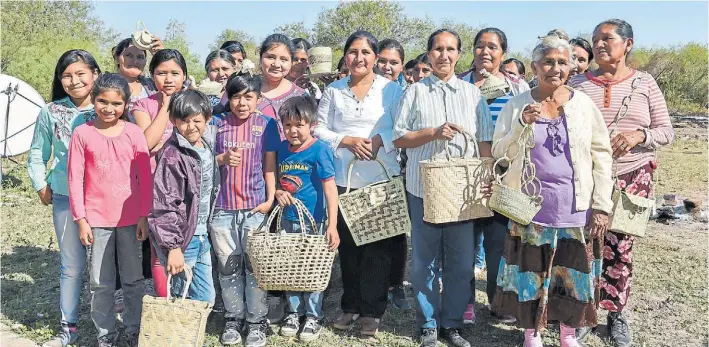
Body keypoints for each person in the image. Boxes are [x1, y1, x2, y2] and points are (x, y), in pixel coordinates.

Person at [491, 35, 613, 347]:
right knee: (532, 270)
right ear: (534, 66)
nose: (555, 68)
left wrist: (601, 204)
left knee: (570, 273)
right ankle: (532, 332)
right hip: (530, 207)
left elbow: (601, 154)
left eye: (562, 62)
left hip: (575, 206)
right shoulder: (518, 103)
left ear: (572, 66)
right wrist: (521, 123)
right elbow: (499, 152)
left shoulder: (583, 104)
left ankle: (568, 332)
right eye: (547, 61)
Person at [568, 19, 674, 347]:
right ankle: (583, 315)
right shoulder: (576, 84)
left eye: (608, 39)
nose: (600, 44)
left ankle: (617, 314)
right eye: (595, 39)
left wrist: (638, 135)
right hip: (585, 179)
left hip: (633, 176)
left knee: (621, 248)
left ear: (628, 44)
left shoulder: (645, 83)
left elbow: (666, 131)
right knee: (584, 248)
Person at [393, 29, 493, 347]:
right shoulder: (415, 92)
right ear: (429, 53)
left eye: (450, 49)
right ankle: (428, 324)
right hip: (423, 188)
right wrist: (433, 133)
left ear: (458, 54)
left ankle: (452, 323)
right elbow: (399, 137)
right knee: (424, 261)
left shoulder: (472, 94)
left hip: (463, 192)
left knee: (462, 261)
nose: (444, 55)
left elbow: (484, 141)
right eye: (438, 49)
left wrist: (487, 176)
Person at [315, 30, 406, 337]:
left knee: (378, 249)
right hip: (343, 180)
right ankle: (350, 306)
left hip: (381, 180)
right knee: (350, 249)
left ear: (375, 57)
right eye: (353, 52)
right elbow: (319, 129)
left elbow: (403, 128)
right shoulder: (334, 91)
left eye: (366, 52)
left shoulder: (391, 90)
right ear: (345, 56)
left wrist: (381, 140)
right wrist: (347, 140)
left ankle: (372, 311)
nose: (359, 58)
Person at [68, 73, 152, 347]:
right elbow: (75, 178)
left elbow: (144, 176)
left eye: (116, 104)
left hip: (130, 220)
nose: (108, 108)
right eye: (102, 101)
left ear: (126, 105)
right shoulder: (83, 134)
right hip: (97, 221)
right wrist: (81, 219)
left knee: (132, 280)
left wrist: (144, 215)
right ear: (94, 100)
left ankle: (133, 330)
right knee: (101, 283)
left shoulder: (133, 133)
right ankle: (106, 335)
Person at [458, 27, 530, 325]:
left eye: (492, 47)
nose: (485, 52)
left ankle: (498, 301)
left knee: (498, 244)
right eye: (479, 46)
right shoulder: (459, 83)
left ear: (503, 52)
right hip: (462, 176)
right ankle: (463, 302)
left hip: (503, 177)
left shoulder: (518, 88)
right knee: (462, 243)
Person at [28, 49, 100, 347]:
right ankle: (67, 328)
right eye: (67, 75)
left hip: (104, 199)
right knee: (71, 265)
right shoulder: (51, 111)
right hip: (65, 198)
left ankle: (106, 327)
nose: (74, 81)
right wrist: (40, 184)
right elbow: (36, 153)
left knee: (104, 268)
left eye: (81, 73)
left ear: (95, 73)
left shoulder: (109, 106)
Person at [209, 72, 279, 347]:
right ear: (228, 97)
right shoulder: (216, 124)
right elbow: (204, 160)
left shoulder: (267, 125)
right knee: (228, 268)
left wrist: (269, 198)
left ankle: (256, 321)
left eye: (248, 97)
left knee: (255, 268)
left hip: (255, 208)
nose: (242, 103)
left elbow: (269, 165)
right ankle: (233, 318)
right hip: (223, 210)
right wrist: (222, 158)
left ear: (258, 99)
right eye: (236, 96)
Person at [274, 96, 340, 342]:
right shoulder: (281, 149)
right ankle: (293, 312)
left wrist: (332, 225)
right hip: (287, 220)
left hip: (314, 222)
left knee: (312, 269)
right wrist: (278, 193)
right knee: (290, 268)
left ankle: (313, 315)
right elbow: (276, 181)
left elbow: (330, 188)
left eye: (299, 125)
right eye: (288, 125)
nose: (293, 131)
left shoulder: (320, 149)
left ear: (311, 124)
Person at [148, 89, 218, 305]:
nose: (191, 126)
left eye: (197, 120)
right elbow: (165, 204)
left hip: (200, 234)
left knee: (205, 298)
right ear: (173, 121)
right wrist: (174, 247)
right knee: (181, 299)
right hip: (182, 240)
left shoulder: (205, 145)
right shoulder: (172, 156)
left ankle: (191, 337)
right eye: (184, 121)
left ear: (207, 118)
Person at [131, 49, 189, 298]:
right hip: (157, 190)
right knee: (160, 250)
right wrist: (166, 105)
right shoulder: (143, 105)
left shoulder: (193, 102)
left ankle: (190, 302)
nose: (168, 79)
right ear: (151, 76)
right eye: (161, 73)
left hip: (189, 188)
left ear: (184, 76)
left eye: (175, 73)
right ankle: (166, 305)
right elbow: (147, 144)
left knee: (191, 246)